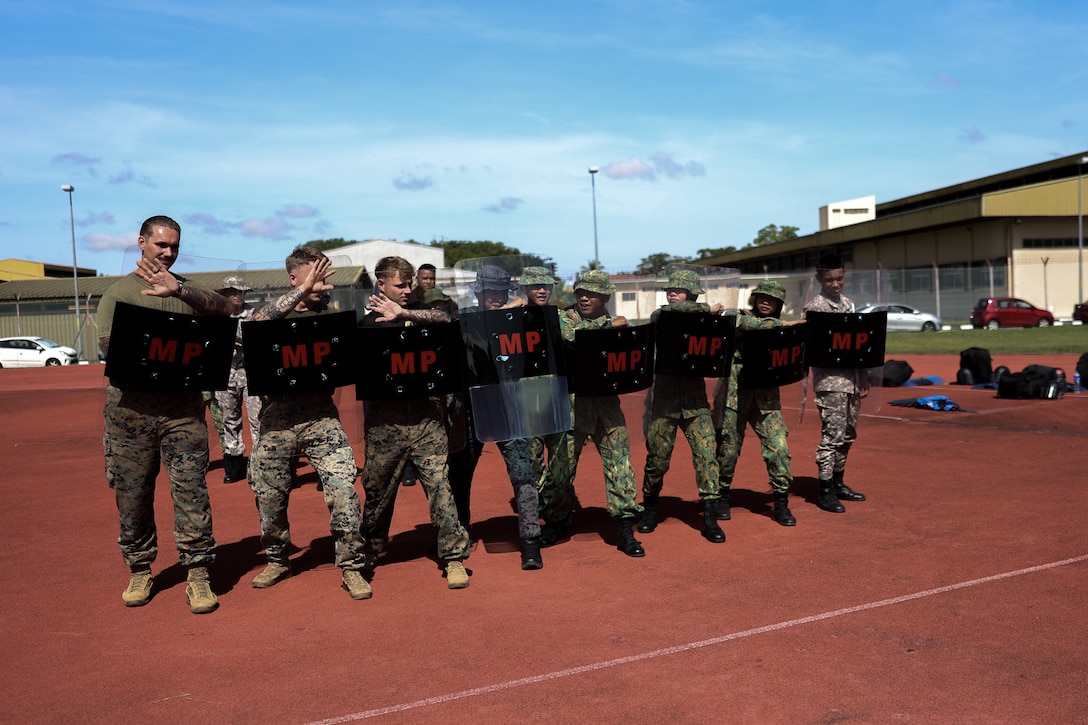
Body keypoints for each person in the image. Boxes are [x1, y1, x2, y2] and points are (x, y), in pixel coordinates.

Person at [98, 215, 235, 614]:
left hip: (182, 414)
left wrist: (182, 292)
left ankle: (198, 573)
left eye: (174, 246)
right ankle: (140, 569)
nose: (168, 253)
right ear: (142, 242)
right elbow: (109, 346)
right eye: (161, 245)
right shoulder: (118, 294)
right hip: (131, 415)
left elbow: (226, 309)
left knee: (192, 493)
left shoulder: (186, 291)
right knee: (133, 496)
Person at [245, 246, 370, 599]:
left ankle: (351, 565)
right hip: (277, 419)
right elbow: (255, 324)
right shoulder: (272, 314)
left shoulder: (330, 318)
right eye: (316, 276)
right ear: (294, 278)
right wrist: (302, 292)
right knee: (269, 494)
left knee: (343, 489)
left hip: (320, 416)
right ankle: (277, 558)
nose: (323, 283)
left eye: (326, 275)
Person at [357, 256, 471, 590]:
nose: (408, 290)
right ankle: (370, 549)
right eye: (400, 285)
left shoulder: (422, 312)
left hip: (426, 422)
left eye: (410, 284)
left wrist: (404, 314)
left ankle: (453, 557)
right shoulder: (367, 325)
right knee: (377, 494)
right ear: (381, 285)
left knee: (441, 490)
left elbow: (445, 320)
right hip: (384, 426)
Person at [447, 264, 544, 570]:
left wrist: (524, 305)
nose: (498, 297)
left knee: (523, 474)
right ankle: (459, 535)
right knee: (460, 475)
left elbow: (544, 322)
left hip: (508, 407)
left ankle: (531, 541)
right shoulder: (464, 319)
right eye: (492, 292)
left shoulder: (519, 318)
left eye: (503, 292)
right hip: (471, 408)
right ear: (479, 293)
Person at [542, 269, 645, 557]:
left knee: (620, 464)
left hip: (606, 404)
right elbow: (573, 337)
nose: (584, 298)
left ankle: (625, 527)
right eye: (580, 293)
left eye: (591, 293)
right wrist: (610, 327)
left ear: (605, 297)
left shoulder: (615, 324)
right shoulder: (565, 318)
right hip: (572, 404)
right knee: (561, 468)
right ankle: (556, 520)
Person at [638, 270, 725, 543]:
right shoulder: (662, 316)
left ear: (692, 293)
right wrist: (707, 309)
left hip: (695, 404)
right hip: (664, 403)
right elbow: (669, 312)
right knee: (657, 460)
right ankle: (650, 506)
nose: (672, 293)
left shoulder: (703, 323)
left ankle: (710, 516)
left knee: (706, 457)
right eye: (670, 289)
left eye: (679, 290)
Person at [713, 279, 806, 527]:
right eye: (762, 297)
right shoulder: (740, 318)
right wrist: (784, 324)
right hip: (735, 393)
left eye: (772, 299)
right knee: (728, 448)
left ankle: (781, 502)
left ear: (779, 304)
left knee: (779, 448)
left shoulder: (783, 331)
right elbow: (749, 325)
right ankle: (721, 496)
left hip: (766, 397)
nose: (766, 302)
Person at [803, 254, 868, 513]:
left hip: (851, 380)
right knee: (832, 435)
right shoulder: (815, 308)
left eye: (840, 278)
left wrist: (863, 375)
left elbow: (856, 345)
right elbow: (813, 347)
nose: (836, 284)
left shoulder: (848, 304)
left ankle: (839, 482)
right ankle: (826, 489)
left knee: (848, 434)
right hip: (831, 382)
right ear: (819, 279)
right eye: (830, 279)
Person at [517, 266, 576, 508]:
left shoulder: (561, 317)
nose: (542, 291)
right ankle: (542, 502)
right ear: (524, 289)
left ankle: (556, 506)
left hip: (556, 395)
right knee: (532, 456)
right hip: (527, 396)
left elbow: (580, 334)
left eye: (546, 286)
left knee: (561, 457)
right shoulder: (513, 318)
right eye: (536, 286)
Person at [214, 276, 262, 484]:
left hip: (250, 373)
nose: (238, 295)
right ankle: (234, 462)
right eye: (233, 291)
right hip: (226, 374)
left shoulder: (254, 315)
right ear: (224, 293)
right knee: (230, 419)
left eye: (241, 291)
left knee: (257, 419)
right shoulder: (217, 315)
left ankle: (259, 463)